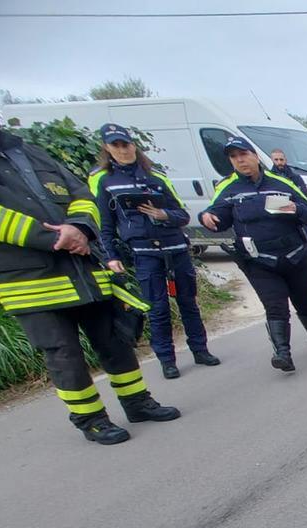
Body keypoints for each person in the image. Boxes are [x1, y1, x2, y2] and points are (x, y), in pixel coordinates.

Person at [0, 71, 178, 445]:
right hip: (27, 278)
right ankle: (91, 419)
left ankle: (137, 401)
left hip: (81, 264)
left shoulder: (25, 150)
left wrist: (80, 226)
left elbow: (80, 191)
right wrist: (53, 237)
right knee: (63, 353)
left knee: (114, 339)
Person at [89, 123, 219, 380]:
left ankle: (200, 350)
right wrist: (111, 256)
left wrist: (163, 214)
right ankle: (167, 360)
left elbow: (182, 215)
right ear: (106, 148)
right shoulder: (104, 181)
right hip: (144, 252)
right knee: (157, 308)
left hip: (176, 247)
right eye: (116, 145)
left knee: (188, 304)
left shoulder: (156, 177)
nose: (123, 150)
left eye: (126, 144)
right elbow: (104, 225)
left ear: (133, 146)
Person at [199, 137, 307, 372]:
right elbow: (217, 216)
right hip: (259, 261)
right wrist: (208, 218)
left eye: (243, 154)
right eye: (234, 156)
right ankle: (283, 354)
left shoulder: (281, 182)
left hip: (294, 255)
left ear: (254, 155)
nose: (240, 160)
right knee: (275, 305)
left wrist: (296, 209)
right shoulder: (227, 188)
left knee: (305, 301)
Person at [270, 148, 307, 280]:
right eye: (276, 159)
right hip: (279, 217)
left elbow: (303, 197)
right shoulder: (269, 178)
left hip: (298, 216)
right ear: (272, 160)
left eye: (281, 159)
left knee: (306, 244)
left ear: (285, 160)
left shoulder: (295, 178)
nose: (279, 162)